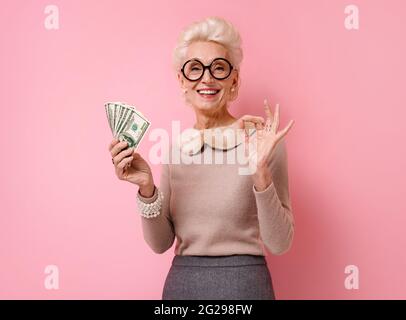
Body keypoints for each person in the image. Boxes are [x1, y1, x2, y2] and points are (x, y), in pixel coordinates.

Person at [108, 16, 295, 300]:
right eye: (195, 68)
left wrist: (261, 174)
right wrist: (146, 190)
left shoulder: (262, 141)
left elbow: (279, 243)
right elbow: (160, 244)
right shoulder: (175, 149)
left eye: (218, 68)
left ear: (234, 79)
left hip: (245, 287)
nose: (207, 78)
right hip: (183, 288)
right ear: (182, 80)